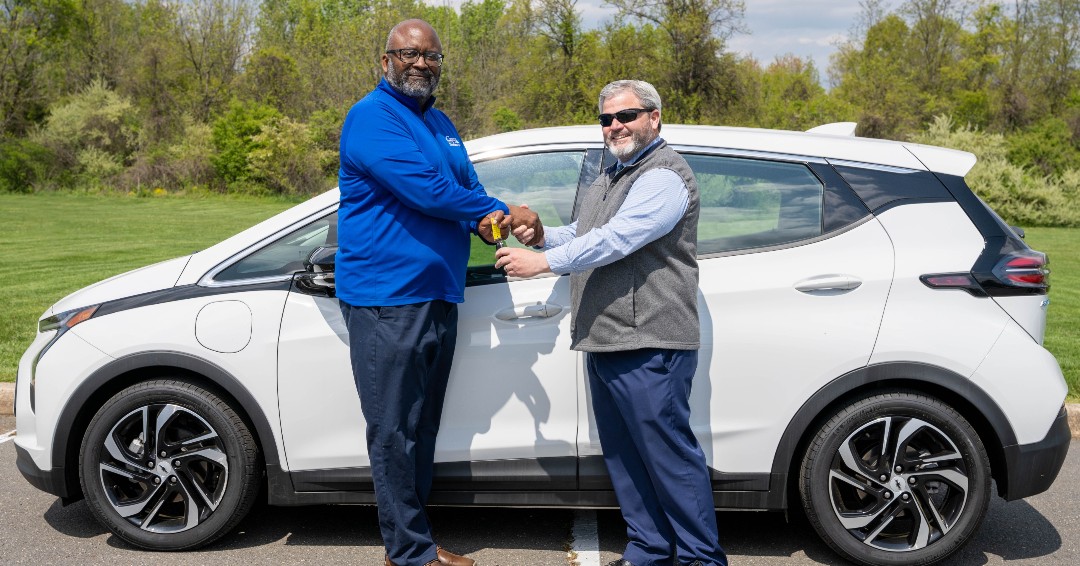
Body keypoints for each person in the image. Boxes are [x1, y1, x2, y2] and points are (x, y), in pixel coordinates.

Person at [495, 80, 727, 566]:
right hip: (607, 338)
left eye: (627, 115)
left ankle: (701, 559)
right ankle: (649, 549)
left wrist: (543, 264)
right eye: (606, 119)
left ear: (654, 117)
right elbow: (587, 233)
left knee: (668, 458)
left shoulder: (664, 176)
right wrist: (542, 236)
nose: (615, 126)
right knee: (624, 457)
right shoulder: (612, 174)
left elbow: (619, 238)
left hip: (649, 339)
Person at [336, 18, 541, 566]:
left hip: (437, 295)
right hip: (387, 299)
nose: (421, 63)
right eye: (409, 54)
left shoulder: (440, 122)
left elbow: (466, 190)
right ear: (386, 61)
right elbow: (426, 192)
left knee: (421, 427)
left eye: (431, 56)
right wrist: (499, 210)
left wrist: (494, 223)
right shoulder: (371, 117)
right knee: (393, 431)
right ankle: (409, 553)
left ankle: (413, 544)